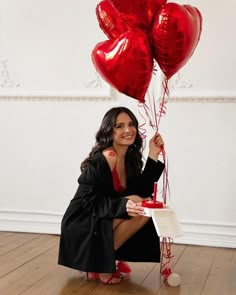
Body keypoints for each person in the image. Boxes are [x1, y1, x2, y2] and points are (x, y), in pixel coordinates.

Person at [58, 106, 165, 284]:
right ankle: (101, 264)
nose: (128, 130)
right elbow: (89, 200)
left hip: (102, 213)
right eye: (119, 126)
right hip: (83, 218)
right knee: (138, 203)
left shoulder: (129, 156)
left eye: (131, 125)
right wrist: (123, 206)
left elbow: (141, 191)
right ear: (109, 130)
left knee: (144, 205)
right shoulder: (108, 157)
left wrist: (153, 153)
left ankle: (106, 259)